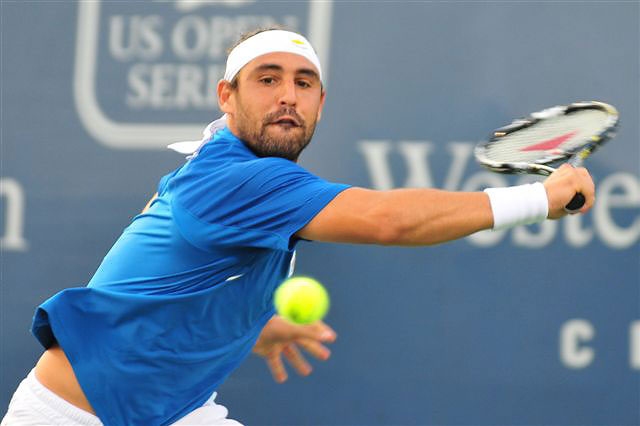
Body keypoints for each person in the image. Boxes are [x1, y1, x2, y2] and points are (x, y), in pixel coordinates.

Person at [2, 28, 595, 426]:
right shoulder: (236, 179)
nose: (287, 95)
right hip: (71, 417)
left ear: (320, 102)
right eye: (267, 79)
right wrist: (538, 200)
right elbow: (387, 221)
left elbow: (175, 284)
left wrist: (249, 325)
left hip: (173, 410)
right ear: (227, 96)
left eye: (302, 83)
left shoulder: (235, 175)